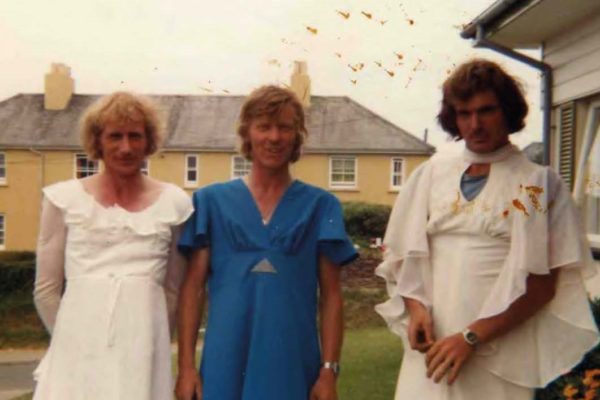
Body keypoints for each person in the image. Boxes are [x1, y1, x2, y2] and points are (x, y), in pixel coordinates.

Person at [375, 59, 599, 399]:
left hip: (498, 354)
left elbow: (540, 285)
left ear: (508, 111)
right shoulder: (433, 174)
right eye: (464, 114)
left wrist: (470, 337)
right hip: (432, 352)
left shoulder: (533, 186)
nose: (475, 124)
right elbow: (405, 253)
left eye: (486, 111)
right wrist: (416, 309)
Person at [175, 85, 358, 400]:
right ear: (247, 133)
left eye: (284, 127)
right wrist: (187, 367)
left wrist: (329, 371)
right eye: (264, 127)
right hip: (224, 361)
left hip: (291, 362)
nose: (274, 137)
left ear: (297, 135)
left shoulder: (321, 206)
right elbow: (193, 288)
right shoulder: (210, 202)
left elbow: (331, 297)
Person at [33, 92, 193, 399]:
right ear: (98, 141)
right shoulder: (63, 200)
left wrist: (151, 343)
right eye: (115, 136)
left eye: (135, 136)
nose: (125, 147)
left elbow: (173, 290)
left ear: (149, 142)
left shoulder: (175, 203)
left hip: (142, 347)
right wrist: (72, 343)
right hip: (76, 345)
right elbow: (46, 290)